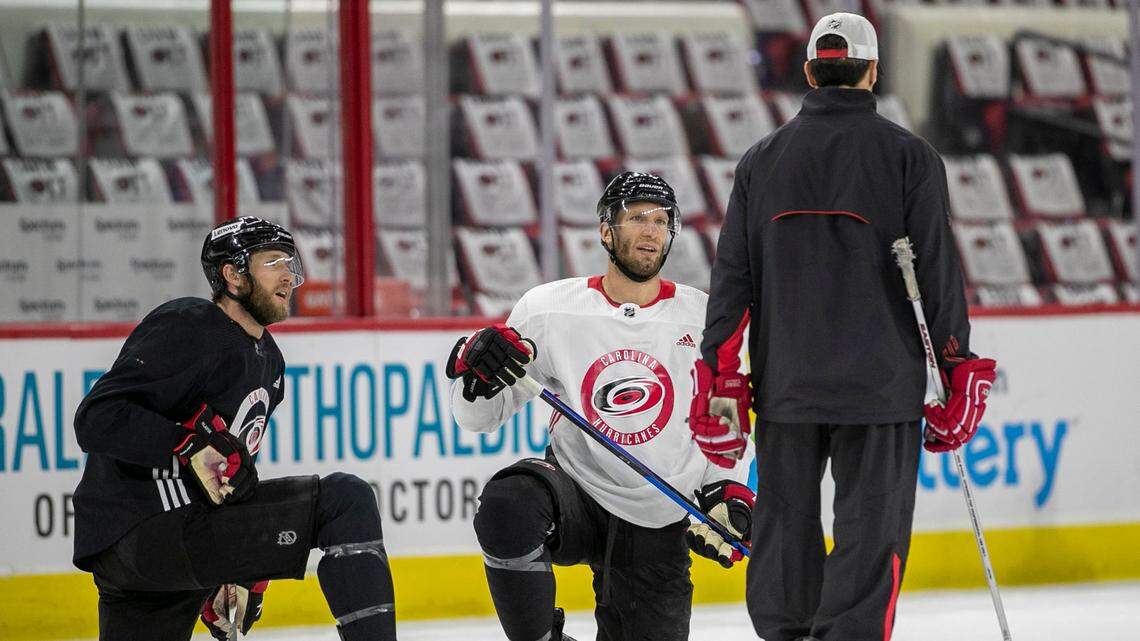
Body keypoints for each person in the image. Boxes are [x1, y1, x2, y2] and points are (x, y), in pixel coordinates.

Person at [687, 13, 998, 641]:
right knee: (872, 533)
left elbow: (731, 283)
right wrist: (960, 369)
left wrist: (720, 375)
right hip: (880, 389)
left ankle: (786, 634)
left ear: (808, 71)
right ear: (872, 71)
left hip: (787, 387)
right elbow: (936, 276)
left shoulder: (759, 161)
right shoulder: (911, 157)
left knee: (783, 527)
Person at [447, 172, 755, 641]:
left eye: (661, 220)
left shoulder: (704, 316)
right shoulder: (547, 308)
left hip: (659, 511)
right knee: (508, 505)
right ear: (606, 231)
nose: (651, 230)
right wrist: (477, 375)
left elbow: (725, 414)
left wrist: (727, 490)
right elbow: (476, 419)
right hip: (578, 492)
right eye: (636, 218)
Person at [72, 216, 398, 641]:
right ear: (233, 275)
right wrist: (185, 443)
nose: (289, 275)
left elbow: (231, 475)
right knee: (344, 499)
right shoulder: (191, 325)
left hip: (160, 553)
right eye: (273, 262)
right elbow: (96, 419)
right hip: (143, 529)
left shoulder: (270, 362)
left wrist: (244, 572)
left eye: (290, 261)